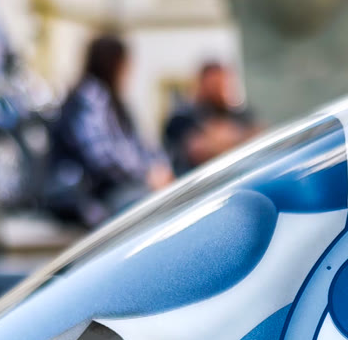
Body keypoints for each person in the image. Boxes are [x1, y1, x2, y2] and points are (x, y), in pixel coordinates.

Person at [49, 32, 168, 225]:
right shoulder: (90, 99)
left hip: (110, 190)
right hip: (92, 197)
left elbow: (138, 144)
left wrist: (158, 167)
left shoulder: (110, 101)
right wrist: (147, 174)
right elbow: (103, 157)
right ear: (114, 64)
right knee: (156, 207)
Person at [161, 60, 253, 176]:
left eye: (222, 84)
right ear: (201, 85)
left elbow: (256, 134)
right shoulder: (181, 119)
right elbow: (197, 150)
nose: (219, 90)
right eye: (213, 85)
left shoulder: (238, 114)